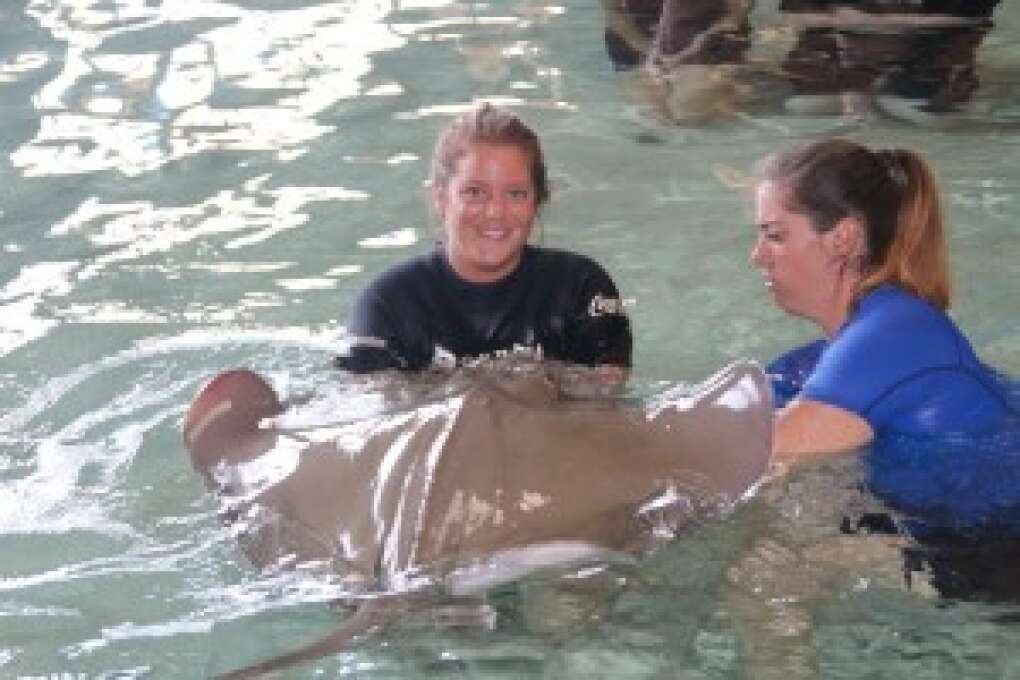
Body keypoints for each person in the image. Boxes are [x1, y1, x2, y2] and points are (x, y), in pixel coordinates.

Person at [750, 138, 1016, 466]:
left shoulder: (893, 336)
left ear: (843, 239)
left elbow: (745, 467)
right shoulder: (827, 358)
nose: (757, 256)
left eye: (775, 236)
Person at [333, 103, 632, 374]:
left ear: (537, 201)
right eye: (475, 193)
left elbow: (603, 418)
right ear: (440, 198)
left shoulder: (580, 291)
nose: (495, 212)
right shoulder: (387, 306)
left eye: (516, 194)